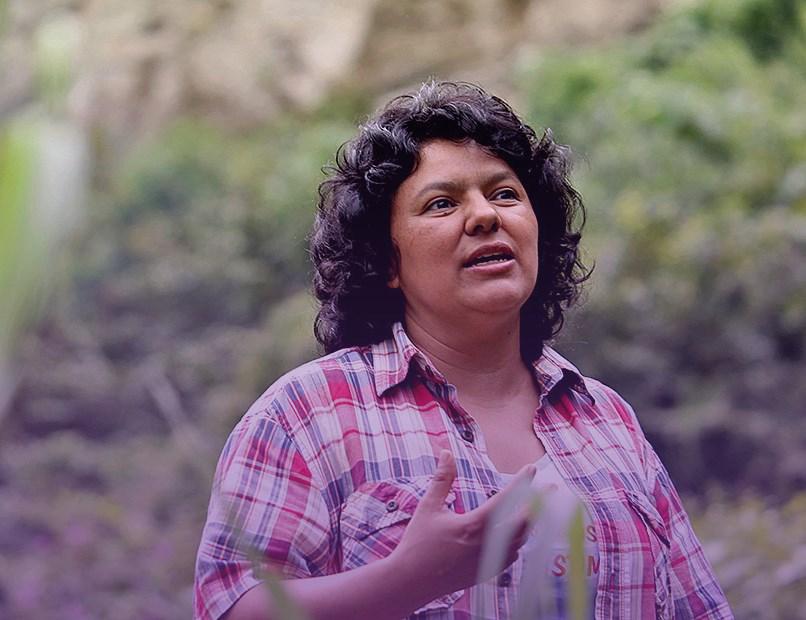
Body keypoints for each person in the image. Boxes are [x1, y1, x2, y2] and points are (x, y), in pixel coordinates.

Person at [194, 81, 732, 619]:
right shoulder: (309, 413)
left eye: (505, 194)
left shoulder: (608, 421)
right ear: (387, 262)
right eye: (441, 203)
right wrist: (404, 581)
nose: (484, 215)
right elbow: (231, 605)